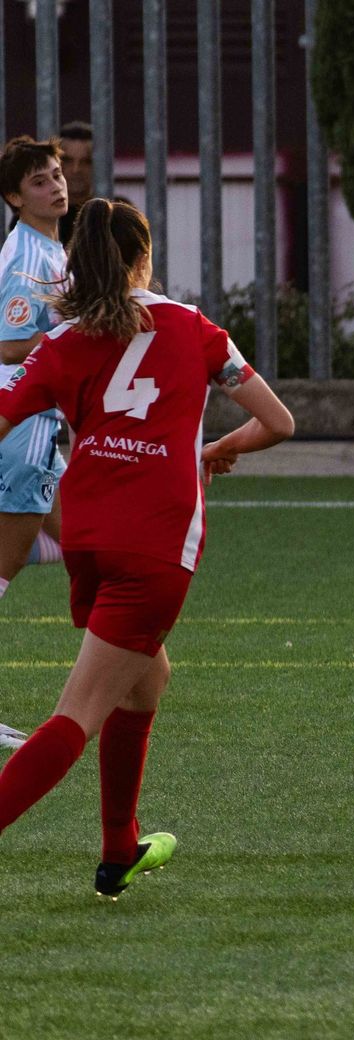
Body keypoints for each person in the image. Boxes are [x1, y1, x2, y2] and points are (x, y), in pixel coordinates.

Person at [0, 199, 294, 896]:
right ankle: (111, 845)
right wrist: (219, 449)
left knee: (147, 679)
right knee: (78, 713)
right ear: (144, 257)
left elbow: (6, 412)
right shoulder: (195, 330)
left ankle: (118, 850)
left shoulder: (64, 341)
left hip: (90, 539)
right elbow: (279, 422)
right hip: (155, 545)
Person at [0, 137, 71, 748]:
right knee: (8, 560)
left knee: (81, 538)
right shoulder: (24, 259)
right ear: (14, 197)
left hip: (39, 421)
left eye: (57, 174)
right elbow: (8, 346)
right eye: (41, 180)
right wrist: (77, 336)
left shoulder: (50, 249)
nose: (57, 185)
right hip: (20, 421)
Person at [57, 121, 94, 247]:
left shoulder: (117, 213)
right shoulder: (32, 217)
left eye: (86, 161)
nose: (76, 169)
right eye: (67, 160)